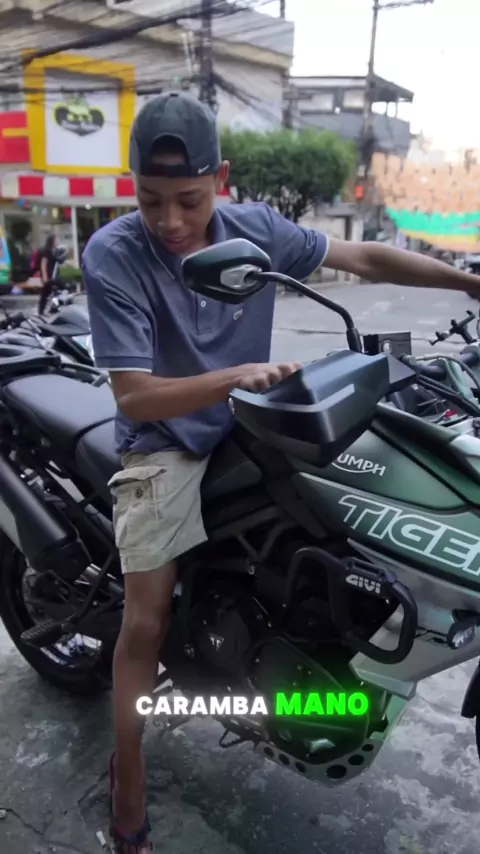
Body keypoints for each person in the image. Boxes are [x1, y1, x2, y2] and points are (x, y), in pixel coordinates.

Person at [82, 91, 480, 853]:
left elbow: (363, 256)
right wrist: (237, 376)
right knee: (147, 618)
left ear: (221, 180)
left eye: (189, 200)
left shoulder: (255, 231)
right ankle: (127, 768)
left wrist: (469, 283)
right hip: (164, 443)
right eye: (152, 199)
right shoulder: (115, 253)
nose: (170, 220)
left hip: (251, 423)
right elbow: (134, 394)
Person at [37, 234, 59, 315]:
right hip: (48, 276)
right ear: (52, 241)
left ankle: (50, 309)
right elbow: (43, 264)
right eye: (56, 240)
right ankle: (42, 311)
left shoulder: (53, 251)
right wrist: (45, 276)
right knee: (46, 293)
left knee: (51, 292)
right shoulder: (47, 251)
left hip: (52, 276)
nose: (58, 242)